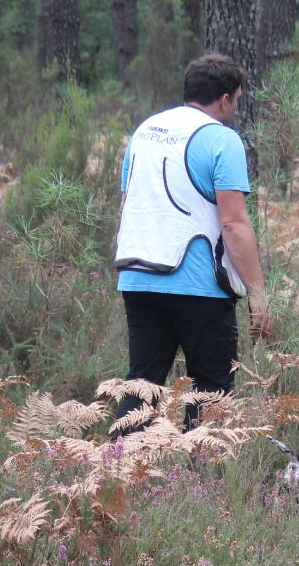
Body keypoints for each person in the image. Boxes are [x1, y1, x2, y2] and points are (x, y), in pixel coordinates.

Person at [113, 53, 274, 432]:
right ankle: (207, 481)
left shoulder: (144, 132)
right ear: (224, 99)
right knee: (211, 392)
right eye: (236, 100)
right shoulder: (222, 140)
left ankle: (116, 474)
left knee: (141, 388)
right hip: (200, 287)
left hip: (138, 280)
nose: (234, 108)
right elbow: (234, 223)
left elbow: (127, 206)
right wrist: (258, 294)